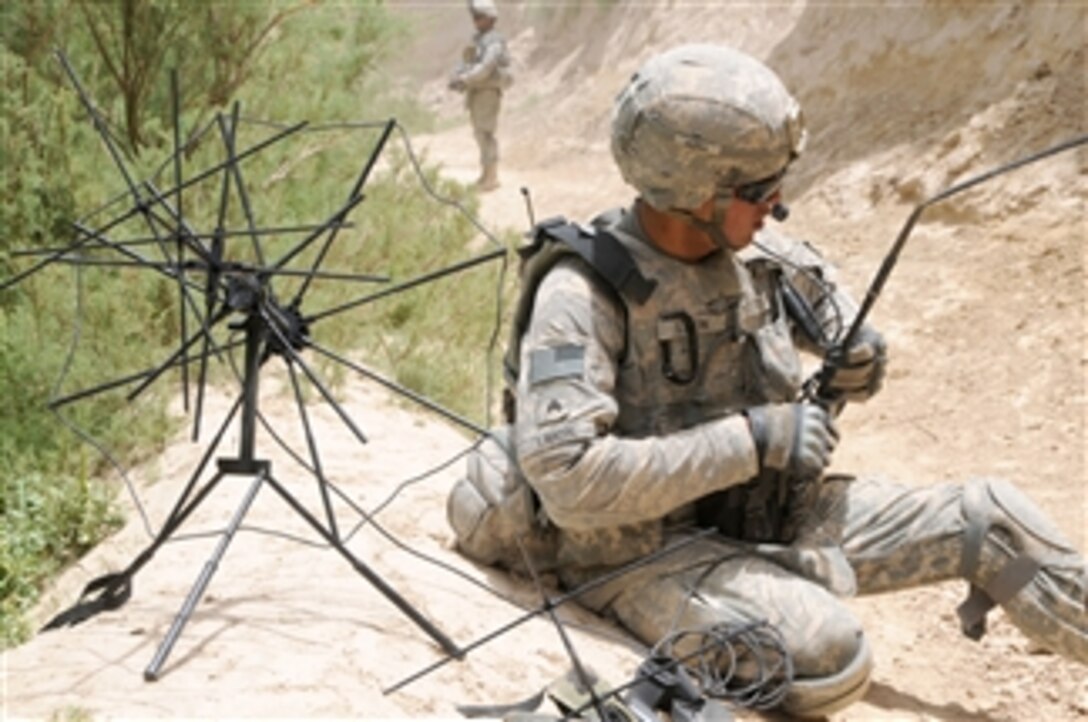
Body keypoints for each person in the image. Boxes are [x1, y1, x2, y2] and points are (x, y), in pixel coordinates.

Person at [449, 44, 1087, 718]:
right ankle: (766, 592)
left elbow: (839, 314)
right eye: (758, 191)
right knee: (827, 655)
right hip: (637, 553)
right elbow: (571, 482)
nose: (777, 204)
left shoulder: (759, 256)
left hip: (765, 513)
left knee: (992, 521)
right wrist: (753, 438)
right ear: (698, 192)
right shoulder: (584, 294)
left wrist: (861, 357)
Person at [448, 0, 511, 192]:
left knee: (485, 133)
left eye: (479, 17)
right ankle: (486, 174)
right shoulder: (478, 39)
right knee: (479, 133)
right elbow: (466, 61)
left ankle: (491, 177)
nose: (475, 21)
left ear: (490, 19)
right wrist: (458, 77)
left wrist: (465, 79)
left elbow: (486, 66)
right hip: (477, 90)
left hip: (487, 91)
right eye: (474, 17)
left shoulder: (494, 41)